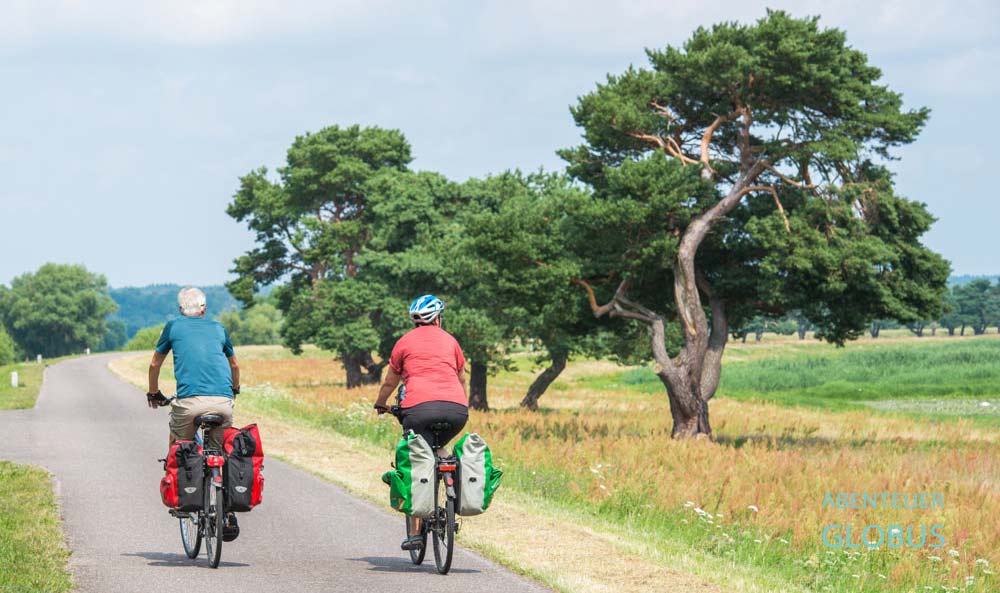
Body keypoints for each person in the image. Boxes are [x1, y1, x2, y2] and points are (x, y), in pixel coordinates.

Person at [374, 294, 468, 551]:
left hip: (418, 411)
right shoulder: (451, 341)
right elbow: (461, 378)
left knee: (417, 461)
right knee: (440, 447)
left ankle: (415, 533)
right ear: (438, 318)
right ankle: (453, 480)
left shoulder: (404, 342)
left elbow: (390, 382)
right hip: (457, 411)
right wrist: (462, 404)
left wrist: (380, 403)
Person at [146, 286, 241, 538]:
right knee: (220, 453)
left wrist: (154, 392)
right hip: (222, 402)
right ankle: (227, 510)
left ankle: (179, 494)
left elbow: (155, 363)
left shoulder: (173, 327)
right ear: (204, 309)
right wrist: (234, 389)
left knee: (179, 443)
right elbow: (234, 364)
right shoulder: (219, 328)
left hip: (189, 404)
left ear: (180, 309)